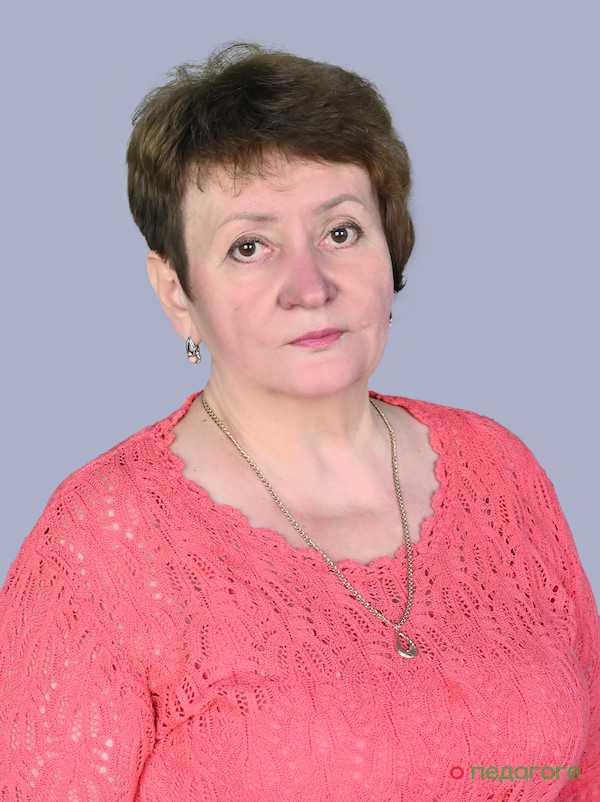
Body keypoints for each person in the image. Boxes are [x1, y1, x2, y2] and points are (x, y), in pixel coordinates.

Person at [0, 42, 598, 801]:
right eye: (249, 247)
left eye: (340, 232)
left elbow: (584, 773)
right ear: (177, 291)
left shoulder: (499, 469)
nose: (310, 287)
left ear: (391, 247)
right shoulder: (99, 546)